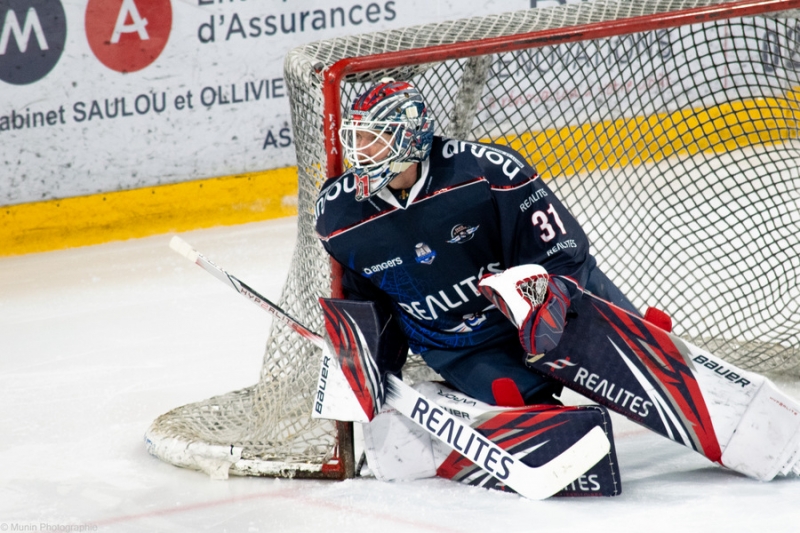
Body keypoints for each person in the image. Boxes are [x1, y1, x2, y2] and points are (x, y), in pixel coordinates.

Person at [314, 79, 637, 407]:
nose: (360, 149)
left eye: (373, 137)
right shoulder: (338, 216)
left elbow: (562, 249)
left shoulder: (488, 172)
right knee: (521, 406)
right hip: (462, 345)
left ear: (409, 136)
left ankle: (638, 341)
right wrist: (362, 353)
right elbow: (366, 299)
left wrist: (556, 297)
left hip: (543, 309)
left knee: (634, 360)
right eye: (356, 137)